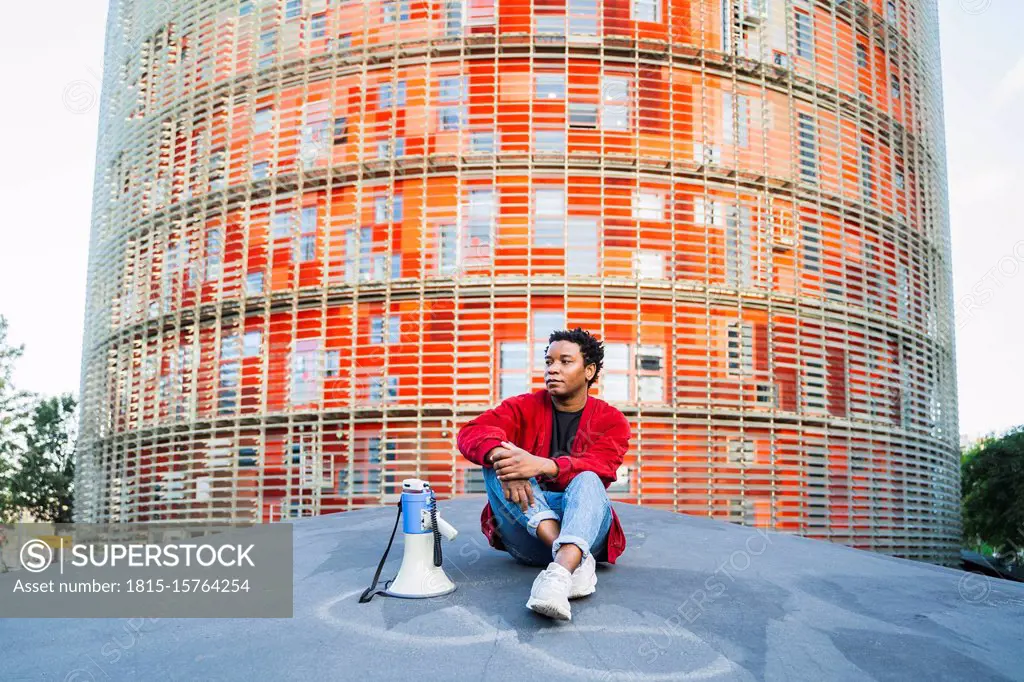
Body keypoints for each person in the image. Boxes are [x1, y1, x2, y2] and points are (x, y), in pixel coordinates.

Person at [456, 327, 631, 620]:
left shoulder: (612, 421)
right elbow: (472, 432)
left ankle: (558, 575)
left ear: (589, 371)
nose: (553, 369)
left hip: (586, 526)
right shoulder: (524, 406)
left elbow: (602, 468)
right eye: (549, 362)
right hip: (528, 534)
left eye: (565, 361)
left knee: (587, 478)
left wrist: (541, 465)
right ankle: (573, 559)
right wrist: (509, 462)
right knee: (497, 459)